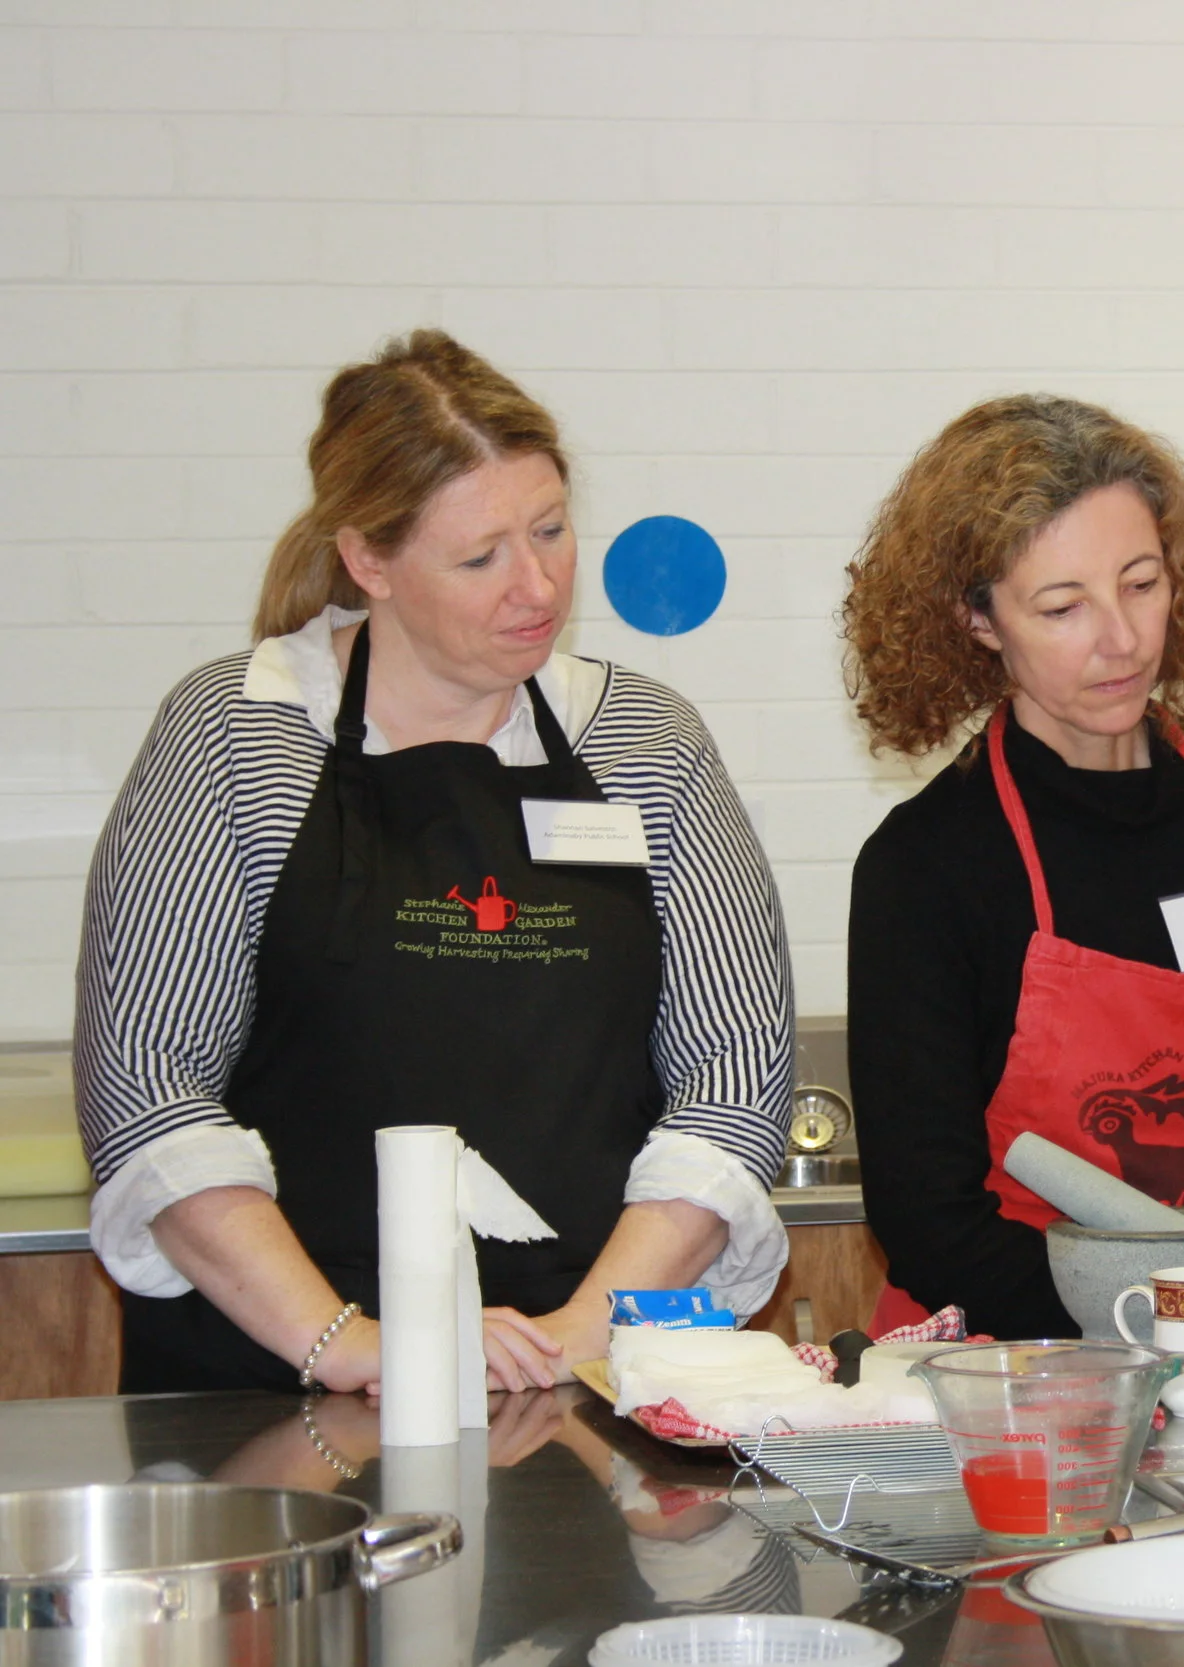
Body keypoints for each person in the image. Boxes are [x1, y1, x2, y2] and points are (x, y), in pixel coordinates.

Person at [76, 331, 796, 1396]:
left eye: (551, 530)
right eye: (480, 557)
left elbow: (733, 1077)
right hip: (278, 1390)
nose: (538, 583)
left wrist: (572, 1339)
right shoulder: (239, 732)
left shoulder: (646, 741)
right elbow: (146, 1082)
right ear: (369, 560)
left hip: (586, 1372)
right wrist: (351, 1345)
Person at [842, 394, 1184, 1339]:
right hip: (1017, 1373)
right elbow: (927, 1216)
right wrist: (1160, 1324)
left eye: (1141, 583)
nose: (1122, 639)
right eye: (1063, 606)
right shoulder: (928, 864)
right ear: (977, 620)